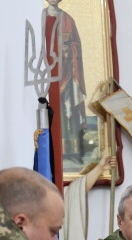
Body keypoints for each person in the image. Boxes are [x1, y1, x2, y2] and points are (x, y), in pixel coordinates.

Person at [43, 0, 88, 165]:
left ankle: (73, 151)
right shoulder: (40, 17)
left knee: (70, 112)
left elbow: (76, 44)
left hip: (67, 73)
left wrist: (69, 49)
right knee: (54, 112)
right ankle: (53, 152)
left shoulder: (68, 19)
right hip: (47, 73)